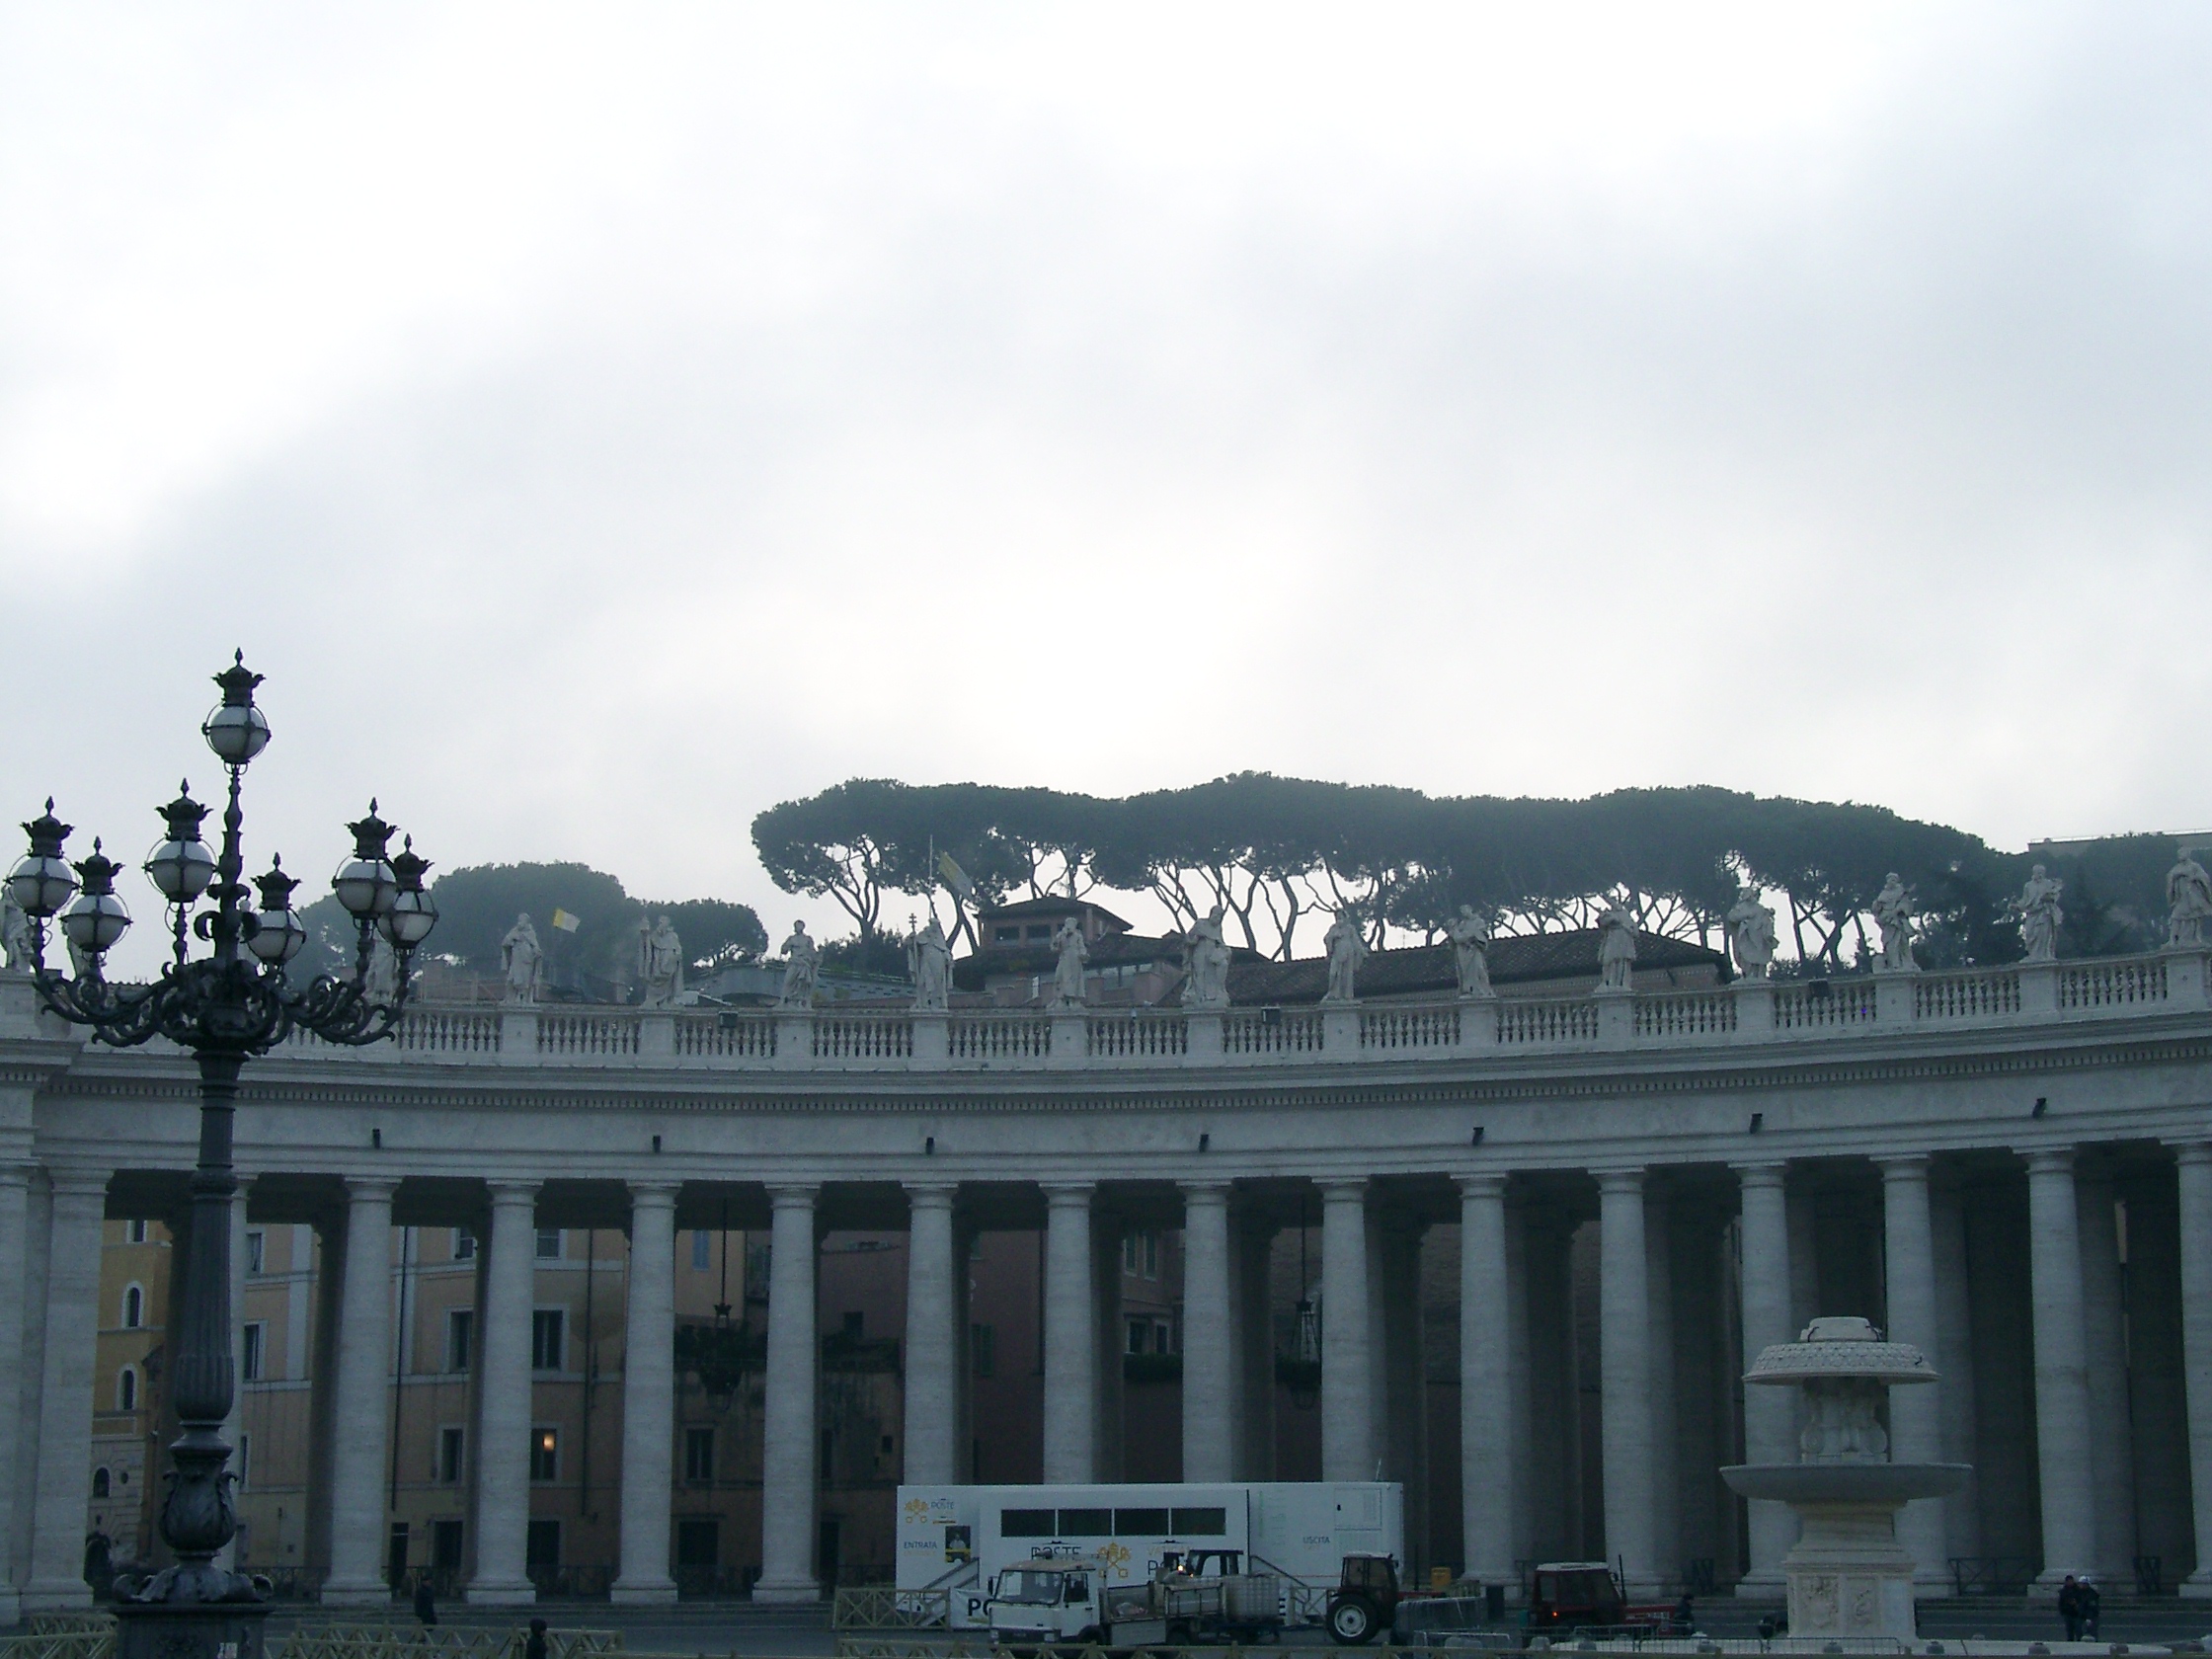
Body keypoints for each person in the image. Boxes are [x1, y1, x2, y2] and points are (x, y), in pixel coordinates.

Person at [2018, 864, 2064, 962]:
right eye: (2037, 872)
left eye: (2041, 872)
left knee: (2043, 935)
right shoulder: (2028, 885)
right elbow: (2025, 899)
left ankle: (2043, 955)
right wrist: (2018, 906)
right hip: (2032, 913)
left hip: (2044, 913)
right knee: (2030, 933)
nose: (2039, 874)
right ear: (2033, 873)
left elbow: (2055, 895)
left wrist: (2049, 898)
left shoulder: (2048, 883)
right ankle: (2033, 955)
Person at [502, 913, 543, 1003]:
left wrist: (536, 952)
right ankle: (509, 998)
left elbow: (536, 947)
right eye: (519, 921)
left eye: (521, 921)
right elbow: (505, 943)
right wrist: (513, 939)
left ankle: (523, 998)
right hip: (515, 960)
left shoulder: (531, 933)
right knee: (510, 980)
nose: (519, 923)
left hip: (526, 961)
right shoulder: (514, 931)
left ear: (526, 922)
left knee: (524, 982)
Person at [1050, 915, 1089, 1007]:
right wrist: (1055, 943)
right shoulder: (1061, 935)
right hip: (1064, 957)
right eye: (1068, 923)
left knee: (1073, 979)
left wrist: (1083, 955)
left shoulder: (1078, 935)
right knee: (1059, 977)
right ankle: (1059, 998)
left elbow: (1082, 947)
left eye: (1072, 923)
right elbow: (1055, 948)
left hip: (1075, 958)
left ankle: (1072, 999)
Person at [2057, 1573, 2084, 1641]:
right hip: (2067, 1613)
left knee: (2078, 1630)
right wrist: (2063, 1611)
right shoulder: (2063, 1591)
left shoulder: (2078, 1590)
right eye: (2068, 1581)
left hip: (2076, 1613)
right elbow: (2061, 1602)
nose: (2070, 1582)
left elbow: (2081, 1600)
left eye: (2071, 1581)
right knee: (2069, 1631)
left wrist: (2077, 1606)